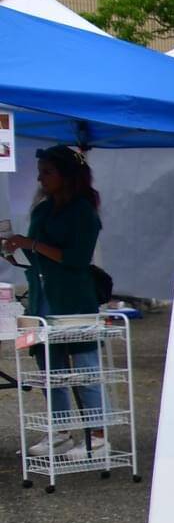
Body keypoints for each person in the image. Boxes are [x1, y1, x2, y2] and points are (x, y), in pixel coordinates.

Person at [3, 145, 105, 460]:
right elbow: (37, 254)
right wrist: (15, 248)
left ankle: (98, 436)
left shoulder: (83, 211)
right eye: (40, 172)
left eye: (47, 172)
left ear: (67, 175)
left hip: (74, 300)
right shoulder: (43, 209)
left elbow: (76, 259)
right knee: (50, 368)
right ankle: (59, 432)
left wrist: (33, 244)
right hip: (42, 298)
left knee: (85, 366)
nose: (40, 178)